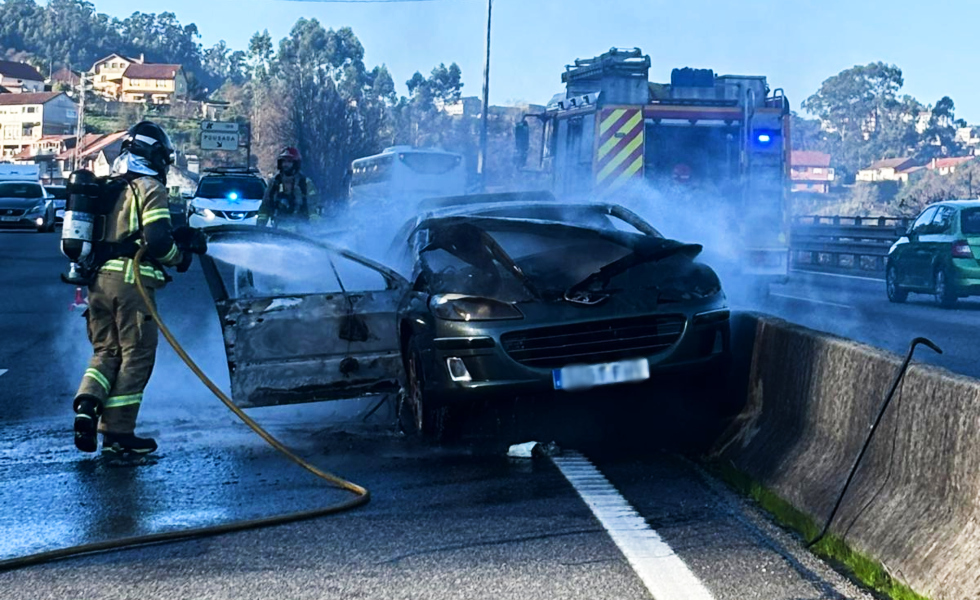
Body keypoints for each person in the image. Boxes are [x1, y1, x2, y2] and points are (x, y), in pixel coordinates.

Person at [72, 121, 207, 457]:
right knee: (137, 355)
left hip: (98, 281)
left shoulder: (109, 187)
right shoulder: (149, 188)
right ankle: (118, 433)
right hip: (130, 283)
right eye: (163, 156)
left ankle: (87, 407)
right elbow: (158, 241)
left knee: (106, 352)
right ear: (153, 154)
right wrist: (180, 256)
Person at [258, 147, 318, 230]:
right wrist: (260, 227)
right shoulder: (274, 183)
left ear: (296, 164)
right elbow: (265, 207)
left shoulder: (304, 183)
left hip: (301, 232)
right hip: (278, 230)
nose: (285, 164)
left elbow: (313, 207)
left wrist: (315, 229)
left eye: (289, 161)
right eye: (283, 161)